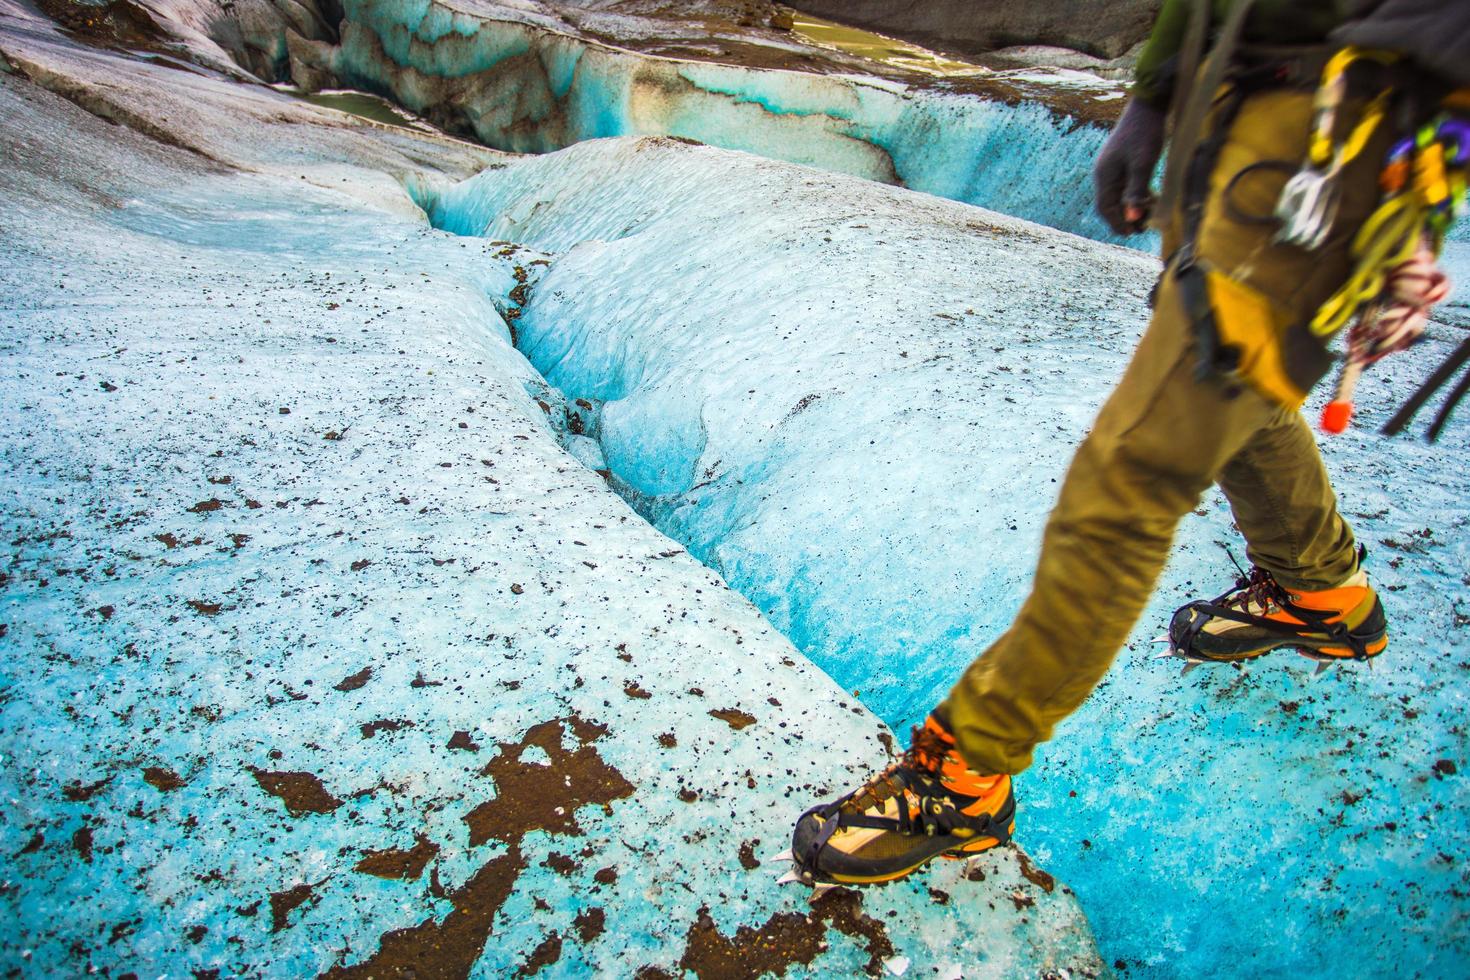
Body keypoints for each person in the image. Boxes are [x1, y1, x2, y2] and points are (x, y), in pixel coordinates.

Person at [787, 0, 1470, 887]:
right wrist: (1157, 96)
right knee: (1228, 375)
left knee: (1133, 476)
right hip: (1237, 101)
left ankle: (965, 777)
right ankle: (1318, 588)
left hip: (1337, 131)